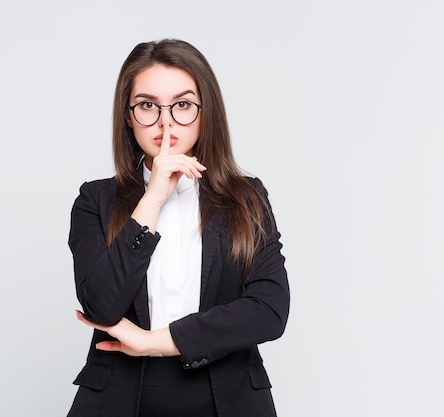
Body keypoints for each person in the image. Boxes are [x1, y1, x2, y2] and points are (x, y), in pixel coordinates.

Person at [67, 38, 290, 417]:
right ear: (128, 115)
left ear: (206, 113)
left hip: (227, 397)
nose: (166, 121)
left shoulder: (247, 197)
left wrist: (155, 342)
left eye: (183, 105)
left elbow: (269, 310)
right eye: (147, 106)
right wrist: (152, 199)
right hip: (120, 399)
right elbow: (101, 306)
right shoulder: (95, 200)